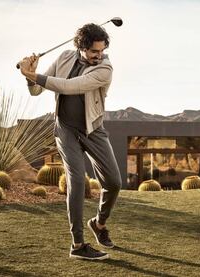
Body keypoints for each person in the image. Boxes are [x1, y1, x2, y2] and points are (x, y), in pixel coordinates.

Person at [19, 23, 122, 260]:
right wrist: (30, 78)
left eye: (102, 50)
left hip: (93, 130)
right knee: (76, 181)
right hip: (65, 129)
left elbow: (69, 87)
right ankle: (77, 245)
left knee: (114, 182)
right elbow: (36, 91)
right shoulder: (65, 57)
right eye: (94, 51)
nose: (100, 55)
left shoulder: (105, 68)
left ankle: (99, 223)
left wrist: (33, 75)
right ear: (81, 46)